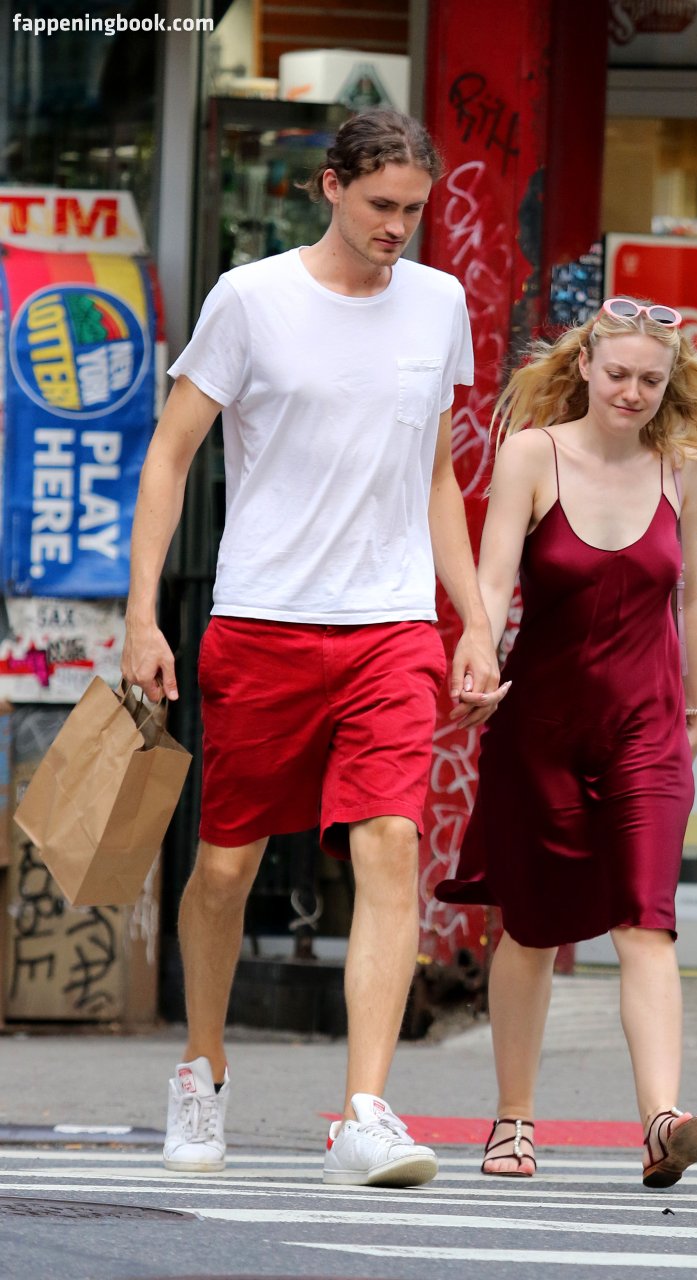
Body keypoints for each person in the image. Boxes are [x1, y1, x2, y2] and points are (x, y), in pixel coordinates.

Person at [121, 108, 505, 1188]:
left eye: (414, 210)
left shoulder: (438, 302)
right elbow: (171, 453)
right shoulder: (250, 298)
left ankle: (365, 1111)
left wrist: (474, 620)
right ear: (329, 186)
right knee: (226, 865)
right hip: (264, 619)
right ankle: (202, 1067)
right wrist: (143, 614)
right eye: (381, 204)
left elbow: (436, 475)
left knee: (390, 841)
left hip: (391, 625)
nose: (398, 226)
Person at [436, 296, 697, 1188]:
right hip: (541, 727)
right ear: (584, 368)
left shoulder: (682, 465)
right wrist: (476, 659)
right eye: (618, 375)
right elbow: (491, 579)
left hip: (647, 726)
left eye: (650, 379)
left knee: (647, 920)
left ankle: (661, 1120)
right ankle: (513, 1121)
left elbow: (687, 593)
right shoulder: (532, 454)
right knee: (530, 929)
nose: (633, 393)